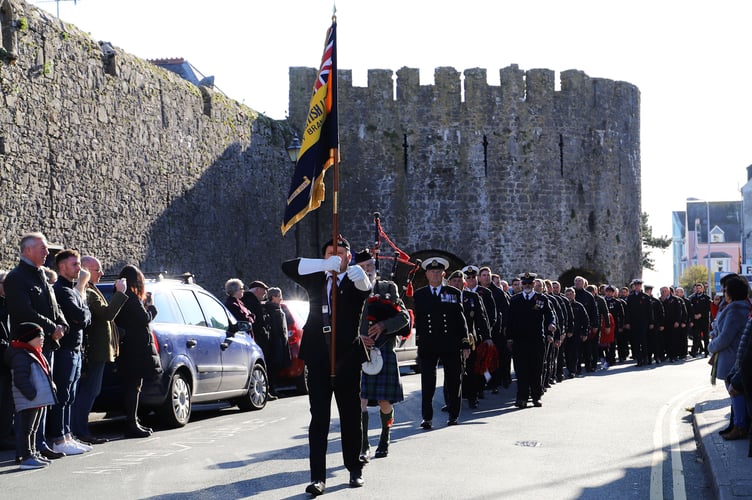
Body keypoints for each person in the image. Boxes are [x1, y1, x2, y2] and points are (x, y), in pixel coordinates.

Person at [281, 236, 372, 495]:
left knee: (350, 416)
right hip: (318, 357)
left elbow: (366, 289)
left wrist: (362, 275)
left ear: (349, 258)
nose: (337, 257)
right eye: (331, 253)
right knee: (319, 418)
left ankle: (354, 468)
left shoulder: (355, 281)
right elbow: (288, 266)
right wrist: (322, 265)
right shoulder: (316, 278)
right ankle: (318, 477)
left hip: (347, 358)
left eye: (341, 253)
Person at [3, 232, 69, 461]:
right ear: (27, 250)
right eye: (42, 249)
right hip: (27, 347)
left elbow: (53, 306)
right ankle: (26, 451)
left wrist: (62, 324)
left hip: (46, 345)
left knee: (42, 399)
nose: (47, 253)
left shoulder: (41, 275)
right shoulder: (16, 278)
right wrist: (52, 327)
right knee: (29, 401)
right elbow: (24, 311)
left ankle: (38, 445)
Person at [355, 249, 410, 461]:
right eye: (362, 267)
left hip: (384, 348)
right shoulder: (350, 290)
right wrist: (359, 337)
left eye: (369, 266)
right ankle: (363, 444)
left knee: (384, 402)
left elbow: (404, 317)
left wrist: (383, 325)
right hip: (359, 350)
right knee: (359, 400)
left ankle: (385, 437)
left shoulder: (388, 288)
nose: (367, 270)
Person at [71, 256, 128, 444]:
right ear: (86, 271)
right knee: (87, 392)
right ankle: (80, 430)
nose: (102, 273)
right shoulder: (88, 291)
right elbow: (106, 314)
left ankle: (80, 429)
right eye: (97, 270)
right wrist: (120, 293)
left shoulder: (92, 290)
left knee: (91, 391)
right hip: (94, 351)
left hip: (99, 351)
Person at [413, 257, 470, 428]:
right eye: (432, 272)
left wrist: (465, 342)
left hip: (450, 342)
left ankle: (453, 415)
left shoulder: (453, 293)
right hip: (429, 343)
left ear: (443, 274)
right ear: (427, 274)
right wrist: (419, 343)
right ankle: (427, 417)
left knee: (453, 381)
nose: (435, 274)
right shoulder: (420, 294)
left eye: (438, 272)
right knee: (428, 382)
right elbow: (421, 321)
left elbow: (461, 319)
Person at [49, 249, 92, 456]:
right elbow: (80, 316)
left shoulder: (73, 291)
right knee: (63, 394)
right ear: (62, 267)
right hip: (65, 350)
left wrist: (83, 312)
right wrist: (83, 313)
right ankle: (59, 438)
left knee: (70, 395)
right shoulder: (61, 290)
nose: (79, 268)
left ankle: (67, 435)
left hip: (76, 350)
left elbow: (86, 317)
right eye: (74, 264)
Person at [114, 265, 162, 438]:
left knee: (133, 386)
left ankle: (133, 421)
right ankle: (132, 423)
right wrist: (151, 307)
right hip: (134, 348)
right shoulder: (131, 298)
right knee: (134, 386)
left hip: (128, 346)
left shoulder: (121, 296)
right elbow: (143, 319)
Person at [5, 322, 57, 470]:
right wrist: (32, 394)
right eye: (38, 336)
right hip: (29, 400)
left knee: (33, 429)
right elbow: (20, 379)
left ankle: (33, 453)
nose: (42, 338)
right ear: (28, 338)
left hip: (37, 400)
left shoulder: (34, 352)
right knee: (26, 429)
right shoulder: (21, 355)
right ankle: (26, 457)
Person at [708, 276, 751, 440]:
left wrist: (711, 346)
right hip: (734, 354)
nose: (723, 293)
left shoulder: (735, 310)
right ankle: (736, 424)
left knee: (735, 392)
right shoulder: (738, 307)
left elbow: (726, 337)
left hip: (733, 356)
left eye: (725, 290)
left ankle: (740, 426)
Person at [507, 273, 555, 408]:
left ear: (534, 284)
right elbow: (510, 320)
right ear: (522, 284)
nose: (527, 286)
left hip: (536, 340)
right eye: (525, 283)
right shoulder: (515, 300)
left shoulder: (541, 299)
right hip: (520, 341)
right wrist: (509, 338)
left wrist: (551, 324)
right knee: (521, 370)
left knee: (536, 369)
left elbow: (550, 314)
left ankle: (536, 397)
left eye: (530, 283)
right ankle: (521, 398)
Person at [264, 287, 292, 398]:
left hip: (280, 341)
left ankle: (273, 388)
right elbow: (276, 329)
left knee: (277, 365)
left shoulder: (276, 308)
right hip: (275, 342)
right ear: (273, 297)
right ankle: (271, 389)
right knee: (274, 365)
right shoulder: (271, 309)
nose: (281, 298)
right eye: (279, 296)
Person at [624, 279, 654, 366]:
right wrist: (627, 322)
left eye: (638, 285)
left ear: (641, 286)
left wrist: (651, 322)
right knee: (636, 342)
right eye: (635, 285)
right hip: (634, 323)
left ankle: (646, 358)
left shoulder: (645, 297)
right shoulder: (630, 297)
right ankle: (639, 359)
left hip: (644, 322)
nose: (637, 287)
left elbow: (650, 311)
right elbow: (628, 311)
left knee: (644, 341)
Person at [0, 269, 14, 451]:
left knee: (8, 400)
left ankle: (5, 434)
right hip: (3, 356)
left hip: (8, 358)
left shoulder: (7, 303)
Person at [689, 283, 711, 357]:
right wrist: (694, 316)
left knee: (706, 337)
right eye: (697, 288)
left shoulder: (706, 297)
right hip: (696, 320)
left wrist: (700, 314)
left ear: (702, 289)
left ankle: (707, 352)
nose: (698, 289)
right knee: (696, 336)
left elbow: (708, 308)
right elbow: (691, 309)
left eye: (700, 288)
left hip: (704, 320)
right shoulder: (693, 298)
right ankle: (694, 351)